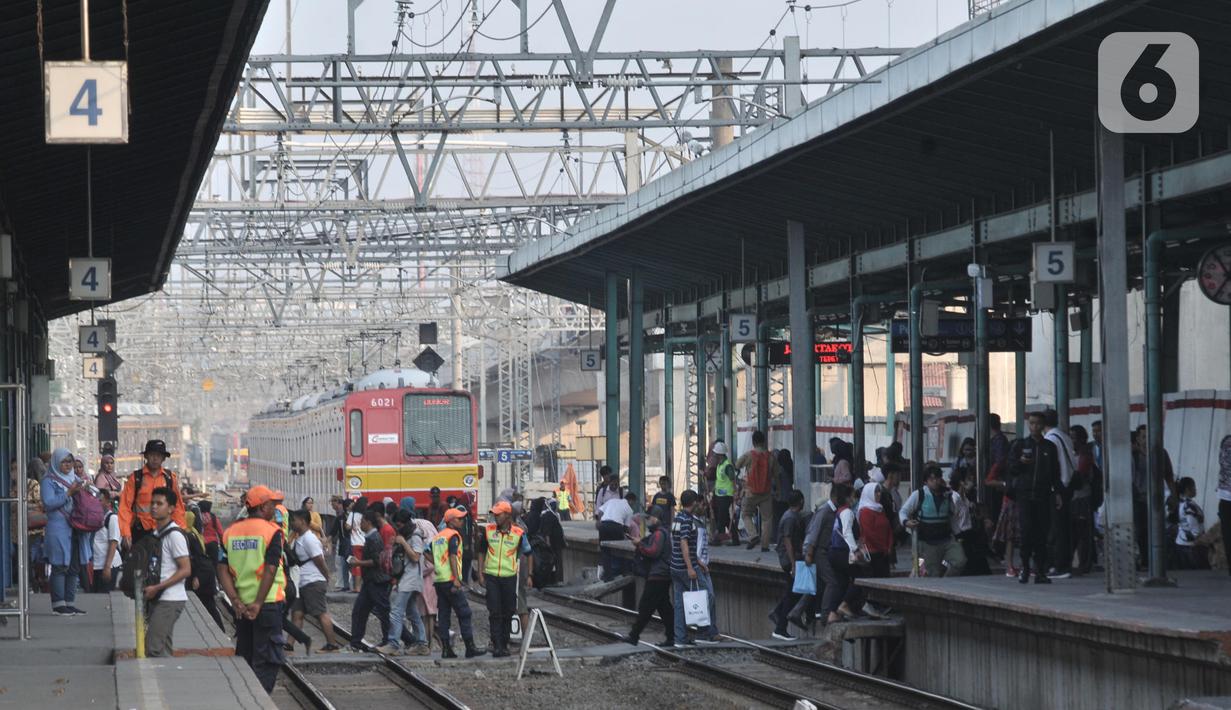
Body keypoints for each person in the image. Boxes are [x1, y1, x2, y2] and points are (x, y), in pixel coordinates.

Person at [217, 485, 287, 693]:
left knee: (246, 655)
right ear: (263, 506)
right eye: (273, 505)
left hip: (242, 606)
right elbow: (271, 568)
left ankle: (246, 698)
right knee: (267, 660)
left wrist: (235, 601)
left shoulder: (230, 532)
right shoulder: (272, 531)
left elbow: (222, 569)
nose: (275, 509)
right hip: (266, 604)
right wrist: (258, 602)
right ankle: (259, 701)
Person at [1009, 411, 1062, 584]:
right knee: (1026, 533)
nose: (1034, 427)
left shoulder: (1049, 447)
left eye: (1038, 424)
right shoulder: (1020, 445)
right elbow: (1010, 468)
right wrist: (1020, 463)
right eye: (1031, 423)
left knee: (1042, 534)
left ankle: (1040, 571)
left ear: (1042, 425)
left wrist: (1058, 493)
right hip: (1024, 495)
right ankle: (1025, 568)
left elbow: (1055, 472)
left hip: (1043, 495)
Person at [476, 501, 532, 657]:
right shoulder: (488, 531)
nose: (495, 517)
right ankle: (497, 645)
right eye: (494, 513)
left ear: (507, 515)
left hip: (509, 577)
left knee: (508, 612)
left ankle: (504, 644)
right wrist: (480, 573)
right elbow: (481, 552)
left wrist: (529, 575)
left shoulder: (518, 533)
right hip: (492, 576)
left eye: (498, 514)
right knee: (494, 611)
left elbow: (528, 552)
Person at [788, 483, 847, 631]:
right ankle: (826, 615)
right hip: (817, 552)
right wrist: (809, 553)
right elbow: (813, 532)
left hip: (821, 551)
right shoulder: (825, 512)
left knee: (818, 585)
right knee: (832, 582)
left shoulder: (833, 512)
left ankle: (796, 612)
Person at [41, 448, 92, 616]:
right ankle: (58, 604)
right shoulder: (48, 481)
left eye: (70, 462)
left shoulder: (75, 479)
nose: (67, 465)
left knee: (74, 566)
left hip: (76, 527)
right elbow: (48, 503)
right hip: (58, 527)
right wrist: (68, 493)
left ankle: (70, 602)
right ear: (56, 462)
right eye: (64, 462)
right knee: (60, 565)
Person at [142, 487, 191, 656]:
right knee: (163, 649)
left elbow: (185, 569)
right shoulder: (157, 533)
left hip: (170, 599)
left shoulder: (174, 535)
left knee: (152, 647)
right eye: (152, 503)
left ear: (171, 508)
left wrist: (157, 588)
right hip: (159, 598)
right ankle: (168, 679)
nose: (154, 507)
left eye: (159, 503)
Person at [432, 508, 485, 658]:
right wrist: (456, 578)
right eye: (459, 519)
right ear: (451, 521)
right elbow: (453, 557)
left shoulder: (438, 537)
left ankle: (446, 649)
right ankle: (470, 647)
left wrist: (438, 566)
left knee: (443, 615)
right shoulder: (453, 536)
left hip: (439, 581)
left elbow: (427, 552)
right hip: (450, 580)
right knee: (464, 612)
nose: (462, 521)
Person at [670, 489, 719, 646]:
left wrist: (697, 561)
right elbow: (684, 543)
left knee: (679, 603)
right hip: (685, 568)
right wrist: (691, 567)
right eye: (697, 501)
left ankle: (680, 639)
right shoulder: (687, 520)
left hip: (676, 567)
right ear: (694, 503)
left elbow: (682, 544)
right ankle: (703, 633)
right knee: (707, 595)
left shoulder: (678, 518)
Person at [376, 510, 430, 655]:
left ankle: (393, 644)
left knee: (395, 612)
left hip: (410, 580)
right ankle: (422, 644)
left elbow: (415, 557)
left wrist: (403, 543)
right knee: (412, 613)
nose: (398, 527)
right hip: (406, 579)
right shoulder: (406, 534)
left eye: (399, 524)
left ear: (406, 523)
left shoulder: (415, 535)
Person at [288, 509, 342, 652]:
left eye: (294, 520)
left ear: (303, 521)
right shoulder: (299, 537)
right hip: (302, 582)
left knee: (320, 613)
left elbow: (320, 561)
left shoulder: (309, 539)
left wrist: (326, 577)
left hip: (313, 581)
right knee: (297, 613)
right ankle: (289, 644)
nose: (292, 522)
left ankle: (332, 644)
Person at [900, 466, 967, 578]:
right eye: (932, 479)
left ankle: (946, 581)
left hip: (946, 540)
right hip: (927, 543)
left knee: (960, 560)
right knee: (932, 573)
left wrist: (959, 534)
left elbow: (952, 517)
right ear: (926, 481)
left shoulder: (948, 495)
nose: (935, 482)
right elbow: (904, 511)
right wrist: (906, 522)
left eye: (937, 478)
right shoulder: (919, 494)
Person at [118, 440, 186, 549]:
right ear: (146, 456)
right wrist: (126, 533)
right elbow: (125, 507)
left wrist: (180, 530)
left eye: (158, 455)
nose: (155, 458)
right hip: (141, 532)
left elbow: (177, 507)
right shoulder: (135, 478)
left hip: (165, 530)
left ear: (163, 458)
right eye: (152, 455)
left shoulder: (170, 478)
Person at [623, 505, 674, 647]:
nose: (648, 520)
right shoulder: (661, 533)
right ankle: (672, 636)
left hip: (658, 576)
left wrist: (640, 545)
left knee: (645, 606)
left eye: (650, 517)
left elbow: (653, 552)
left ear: (656, 518)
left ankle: (634, 635)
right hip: (662, 575)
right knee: (664, 608)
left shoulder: (658, 534)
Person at [347, 509, 392, 651]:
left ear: (368, 522)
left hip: (376, 581)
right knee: (360, 610)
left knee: (383, 612)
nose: (360, 524)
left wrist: (358, 563)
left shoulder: (374, 538)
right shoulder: (371, 537)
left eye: (362, 522)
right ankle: (355, 642)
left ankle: (393, 640)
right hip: (370, 581)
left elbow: (376, 561)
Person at [1042, 410, 1077, 579]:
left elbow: (1052, 468)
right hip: (1068, 486)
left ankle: (1059, 566)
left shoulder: (1049, 440)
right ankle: (1063, 563)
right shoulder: (1065, 437)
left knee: (1056, 528)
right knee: (1063, 527)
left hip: (1057, 488)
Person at [734, 430, 780, 551]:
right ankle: (765, 546)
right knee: (767, 519)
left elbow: (737, 465)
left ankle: (753, 535)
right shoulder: (771, 457)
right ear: (764, 442)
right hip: (766, 492)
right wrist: (778, 490)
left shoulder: (749, 455)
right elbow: (777, 475)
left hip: (751, 492)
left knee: (746, 514)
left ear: (753, 442)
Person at [770, 489, 807, 640]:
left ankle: (778, 614)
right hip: (789, 560)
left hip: (789, 559)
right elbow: (788, 541)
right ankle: (780, 628)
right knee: (793, 593)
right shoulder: (791, 518)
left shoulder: (789, 516)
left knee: (793, 591)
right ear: (801, 502)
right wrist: (793, 565)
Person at [826, 484, 865, 623]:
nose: (854, 499)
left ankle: (832, 613)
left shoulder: (838, 512)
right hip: (843, 552)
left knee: (841, 583)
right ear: (847, 498)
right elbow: (847, 532)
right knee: (861, 577)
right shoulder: (847, 512)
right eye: (852, 496)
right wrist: (855, 550)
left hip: (834, 552)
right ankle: (845, 604)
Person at [184, 509, 226, 631]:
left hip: (203, 574)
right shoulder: (194, 533)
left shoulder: (189, 536)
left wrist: (197, 576)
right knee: (208, 604)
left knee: (209, 605)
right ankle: (220, 631)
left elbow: (197, 557)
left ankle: (221, 631)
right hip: (205, 572)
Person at [1069, 424, 1102, 575]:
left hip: (1082, 496)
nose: (1071, 440)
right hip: (1075, 497)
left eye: (1074, 437)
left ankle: (1084, 563)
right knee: (1076, 531)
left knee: (1083, 532)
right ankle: (1080, 562)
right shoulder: (1073, 452)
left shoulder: (1085, 454)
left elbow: (1080, 475)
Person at [857, 479, 893, 615]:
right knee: (875, 579)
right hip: (872, 552)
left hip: (883, 551)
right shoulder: (865, 512)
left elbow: (888, 528)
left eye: (879, 491)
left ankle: (882, 605)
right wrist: (883, 546)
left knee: (883, 578)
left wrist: (889, 545)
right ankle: (873, 605)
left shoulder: (880, 509)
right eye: (876, 492)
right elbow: (869, 533)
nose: (878, 494)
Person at [596, 492, 637, 581]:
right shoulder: (629, 510)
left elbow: (600, 511)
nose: (633, 505)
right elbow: (626, 527)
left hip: (603, 525)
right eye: (633, 503)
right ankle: (623, 571)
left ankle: (607, 575)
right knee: (620, 549)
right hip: (616, 527)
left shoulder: (612, 501)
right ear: (631, 500)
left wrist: (599, 521)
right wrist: (625, 535)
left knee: (605, 551)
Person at [90, 488, 122, 592]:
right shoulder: (91, 517)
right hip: (94, 565)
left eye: (100, 500)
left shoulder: (111, 518)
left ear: (108, 503)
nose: (96, 502)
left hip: (108, 565)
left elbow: (113, 543)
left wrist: (107, 567)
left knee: (104, 596)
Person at [1172, 477, 1207, 570]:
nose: (1196, 489)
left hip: (1181, 543)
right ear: (1188, 489)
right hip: (1191, 548)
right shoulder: (1189, 506)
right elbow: (1194, 529)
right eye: (1194, 487)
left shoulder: (1179, 503)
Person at [533, 498, 566, 588]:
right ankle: (558, 580)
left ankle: (553, 579)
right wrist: (548, 543)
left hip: (554, 542)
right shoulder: (550, 515)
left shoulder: (549, 514)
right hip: (554, 543)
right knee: (557, 561)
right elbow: (547, 531)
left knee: (554, 561)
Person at [710, 442, 737, 544]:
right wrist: (713, 491)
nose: (714, 455)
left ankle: (717, 539)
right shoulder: (720, 465)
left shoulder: (727, 466)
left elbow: (732, 478)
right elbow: (719, 481)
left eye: (715, 453)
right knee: (725, 517)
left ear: (720, 454)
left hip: (726, 495)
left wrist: (735, 492)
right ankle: (735, 539)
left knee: (721, 518)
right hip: (719, 495)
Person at [771, 450, 794, 545]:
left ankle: (777, 539)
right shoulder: (790, 468)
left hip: (778, 498)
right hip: (788, 497)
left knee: (777, 520)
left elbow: (774, 483)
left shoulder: (779, 469)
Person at [346, 496, 369, 591]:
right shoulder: (366, 515)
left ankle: (357, 587)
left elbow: (347, 527)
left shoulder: (353, 514)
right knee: (363, 564)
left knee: (356, 565)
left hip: (355, 542)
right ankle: (362, 586)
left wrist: (354, 528)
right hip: (365, 542)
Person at [331, 498, 353, 591]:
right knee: (344, 564)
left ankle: (353, 585)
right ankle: (346, 585)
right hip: (345, 543)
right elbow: (333, 531)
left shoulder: (355, 516)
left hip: (353, 543)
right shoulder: (340, 518)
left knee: (352, 564)